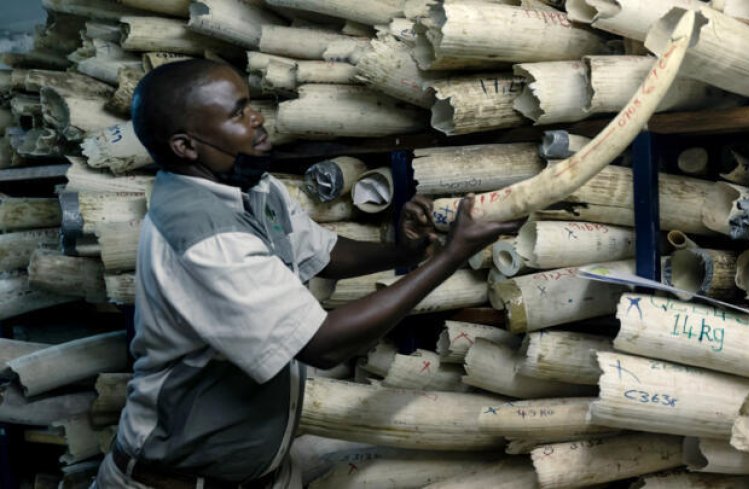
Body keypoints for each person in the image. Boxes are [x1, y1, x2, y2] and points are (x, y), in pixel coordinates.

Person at [91, 59, 520, 488]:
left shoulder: (251, 188)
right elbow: (323, 345)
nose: (257, 118)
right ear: (186, 146)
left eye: (251, 105)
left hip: (256, 473)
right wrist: (450, 256)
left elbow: (325, 253)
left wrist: (402, 250)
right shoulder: (204, 236)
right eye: (238, 113)